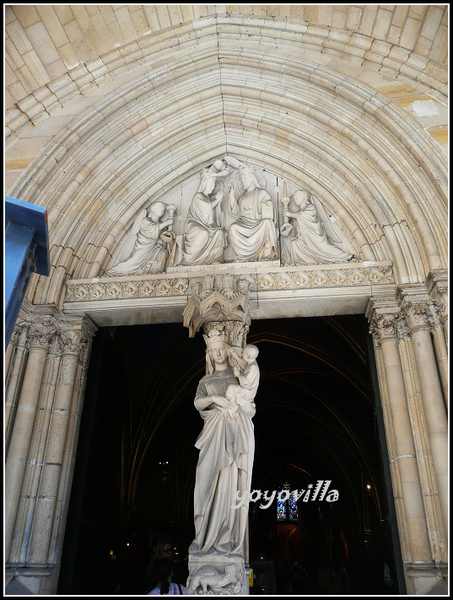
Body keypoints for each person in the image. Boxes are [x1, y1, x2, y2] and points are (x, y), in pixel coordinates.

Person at [189, 326, 258, 556]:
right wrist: (216, 398)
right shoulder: (205, 381)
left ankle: (225, 538)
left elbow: (250, 407)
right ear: (209, 353)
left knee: (230, 484)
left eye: (221, 349)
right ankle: (205, 538)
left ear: (226, 350)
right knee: (204, 483)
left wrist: (236, 404)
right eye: (214, 350)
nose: (218, 354)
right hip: (212, 436)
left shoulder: (238, 375)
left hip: (234, 434)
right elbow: (198, 403)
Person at [280, 190, 354, 265]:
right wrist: (288, 224)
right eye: (294, 198)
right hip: (304, 239)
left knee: (324, 248)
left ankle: (345, 256)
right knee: (294, 243)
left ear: (303, 198)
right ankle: (300, 262)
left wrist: (291, 214)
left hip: (314, 237)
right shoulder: (299, 212)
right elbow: (297, 226)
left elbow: (304, 216)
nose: (295, 199)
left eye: (297, 197)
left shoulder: (310, 207)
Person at [107, 201, 175, 275]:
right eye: (160, 207)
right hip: (142, 248)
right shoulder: (146, 221)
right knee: (132, 263)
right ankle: (115, 271)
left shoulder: (160, 224)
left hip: (153, 249)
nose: (162, 210)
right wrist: (167, 223)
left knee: (163, 253)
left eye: (163, 209)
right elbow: (152, 231)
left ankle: (156, 274)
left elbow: (162, 239)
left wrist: (169, 239)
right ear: (153, 208)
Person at [228, 164, 278, 262]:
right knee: (233, 228)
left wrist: (267, 205)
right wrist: (231, 197)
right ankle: (243, 256)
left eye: (245, 177)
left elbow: (270, 213)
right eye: (242, 179)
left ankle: (265, 255)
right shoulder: (242, 197)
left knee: (267, 223)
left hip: (258, 225)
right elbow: (236, 213)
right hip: (245, 225)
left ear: (252, 177)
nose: (243, 180)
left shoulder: (262, 193)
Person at [181, 168, 227, 265]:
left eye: (214, 184)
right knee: (203, 233)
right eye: (211, 184)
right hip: (195, 225)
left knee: (219, 232)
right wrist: (217, 200)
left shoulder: (206, 198)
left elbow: (211, 209)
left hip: (207, 226)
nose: (213, 187)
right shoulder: (198, 196)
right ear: (205, 183)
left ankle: (215, 258)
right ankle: (191, 259)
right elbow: (206, 209)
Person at [224, 344, 260, 420]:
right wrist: (233, 353)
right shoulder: (251, 364)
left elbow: (246, 381)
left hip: (247, 392)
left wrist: (238, 375)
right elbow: (242, 363)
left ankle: (229, 407)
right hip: (246, 390)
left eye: (243, 352)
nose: (241, 354)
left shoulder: (253, 367)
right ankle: (233, 408)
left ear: (247, 356)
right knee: (233, 391)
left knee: (231, 388)